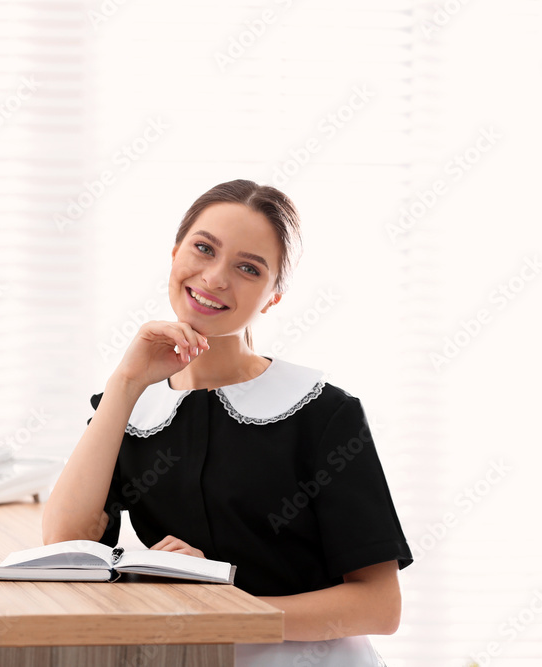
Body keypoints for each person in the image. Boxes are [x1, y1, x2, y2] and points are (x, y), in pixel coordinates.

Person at [41, 179, 413, 666]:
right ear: (175, 254)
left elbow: (379, 607)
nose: (216, 278)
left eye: (247, 268)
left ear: (272, 297)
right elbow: (67, 543)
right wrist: (126, 381)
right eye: (203, 248)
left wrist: (222, 600)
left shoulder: (323, 413)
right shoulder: (132, 407)